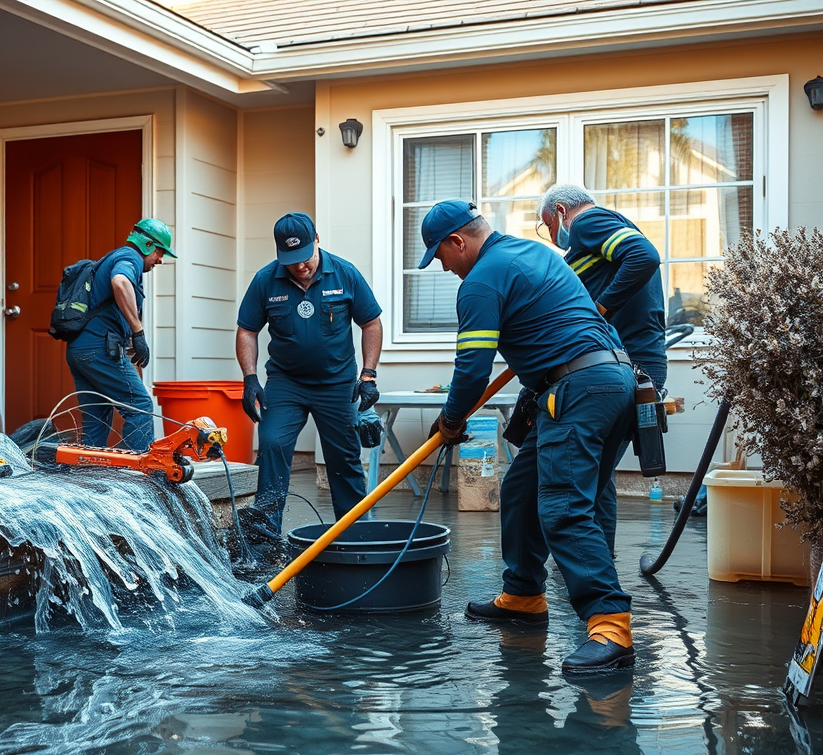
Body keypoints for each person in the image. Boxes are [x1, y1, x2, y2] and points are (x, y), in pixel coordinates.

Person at [421, 199, 637, 674]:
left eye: (440, 256)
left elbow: (473, 368)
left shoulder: (481, 281)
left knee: (564, 506)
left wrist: (451, 419)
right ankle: (522, 596)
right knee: (522, 489)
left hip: (577, 389)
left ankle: (610, 628)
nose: (444, 267)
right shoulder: (532, 254)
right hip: (613, 380)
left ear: (457, 241)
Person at [538, 184, 667, 554]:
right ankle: (597, 563)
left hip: (627, 365)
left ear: (560, 211)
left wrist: (600, 310)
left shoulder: (587, 222)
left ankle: (589, 569)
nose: (553, 237)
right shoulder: (596, 241)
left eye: (549, 226)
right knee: (599, 475)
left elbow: (644, 256)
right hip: (633, 364)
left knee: (586, 481)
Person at [236, 212, 383, 537]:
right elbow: (247, 330)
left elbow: (371, 323)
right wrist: (250, 378)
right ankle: (265, 539)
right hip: (286, 383)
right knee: (272, 444)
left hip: (337, 383)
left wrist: (368, 375)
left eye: (304, 257)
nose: (300, 266)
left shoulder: (345, 273)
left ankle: (356, 536)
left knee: (344, 457)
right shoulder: (265, 280)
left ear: (316, 240)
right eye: (291, 261)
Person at [65, 218, 176, 451]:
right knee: (140, 406)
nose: (160, 259)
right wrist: (138, 332)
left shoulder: (114, 257)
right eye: (160, 251)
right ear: (147, 244)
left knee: (96, 420)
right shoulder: (130, 258)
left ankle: (87, 471)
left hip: (80, 351)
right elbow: (120, 282)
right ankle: (138, 471)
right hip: (98, 350)